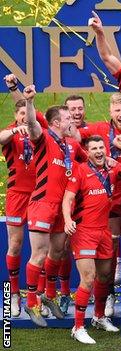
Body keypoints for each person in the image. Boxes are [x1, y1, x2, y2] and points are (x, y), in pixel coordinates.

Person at [62, 135, 121, 344]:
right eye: (94, 148)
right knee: (88, 278)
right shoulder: (79, 170)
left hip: (104, 231)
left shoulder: (112, 168)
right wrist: (68, 219)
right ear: (87, 152)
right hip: (84, 231)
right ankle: (78, 327)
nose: (98, 151)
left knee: (105, 276)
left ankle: (98, 317)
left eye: (101, 148)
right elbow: (68, 197)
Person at [22, 86, 86, 327]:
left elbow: (85, 163)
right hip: (42, 203)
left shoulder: (70, 145)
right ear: (57, 122)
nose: (73, 119)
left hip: (62, 208)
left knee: (58, 252)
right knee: (38, 255)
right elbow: (31, 125)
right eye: (68, 117)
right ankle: (31, 303)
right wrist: (29, 102)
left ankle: (49, 295)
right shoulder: (45, 138)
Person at [79, 93, 121, 316]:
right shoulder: (98, 129)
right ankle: (108, 296)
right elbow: (76, 135)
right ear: (110, 112)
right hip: (110, 195)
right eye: (117, 110)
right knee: (108, 251)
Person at [0, 99, 47, 317]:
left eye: (27, 113)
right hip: (17, 195)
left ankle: (38, 295)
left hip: (40, 195)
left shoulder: (40, 131)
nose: (24, 117)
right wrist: (14, 131)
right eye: (20, 113)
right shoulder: (11, 132)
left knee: (41, 249)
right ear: (16, 115)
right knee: (16, 245)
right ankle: (14, 294)